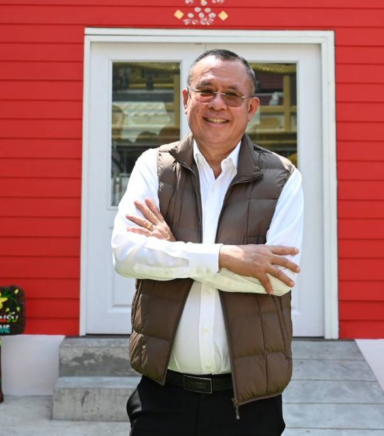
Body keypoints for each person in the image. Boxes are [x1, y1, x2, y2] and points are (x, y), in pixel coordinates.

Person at [111, 49, 304, 436]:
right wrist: (228, 258)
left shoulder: (283, 177)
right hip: (162, 395)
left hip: (250, 402)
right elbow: (127, 255)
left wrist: (172, 252)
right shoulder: (154, 167)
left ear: (251, 108)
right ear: (186, 99)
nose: (218, 103)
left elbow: (278, 278)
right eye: (206, 90)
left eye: (232, 94)